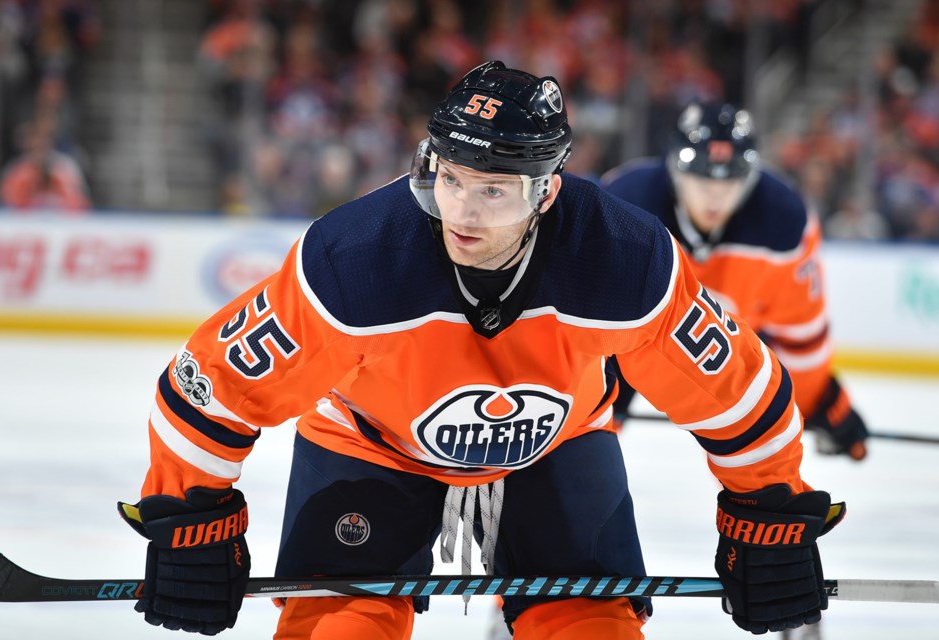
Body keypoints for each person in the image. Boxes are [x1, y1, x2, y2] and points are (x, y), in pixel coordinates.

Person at [118, 62, 845, 640]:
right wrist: (189, 513)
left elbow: (737, 391)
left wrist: (767, 505)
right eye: (450, 179)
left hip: (557, 444)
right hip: (371, 444)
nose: (461, 211)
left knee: (594, 632)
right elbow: (209, 384)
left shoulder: (625, 260)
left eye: (493, 191)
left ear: (546, 191)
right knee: (338, 632)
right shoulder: (350, 262)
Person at [601, 100, 870, 462]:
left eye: (729, 181)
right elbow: (582, 321)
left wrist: (815, 399)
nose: (715, 196)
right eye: (701, 179)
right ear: (675, 172)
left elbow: (800, 336)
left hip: (737, 352)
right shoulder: (622, 203)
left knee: (764, 464)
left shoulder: (784, 222)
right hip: (631, 346)